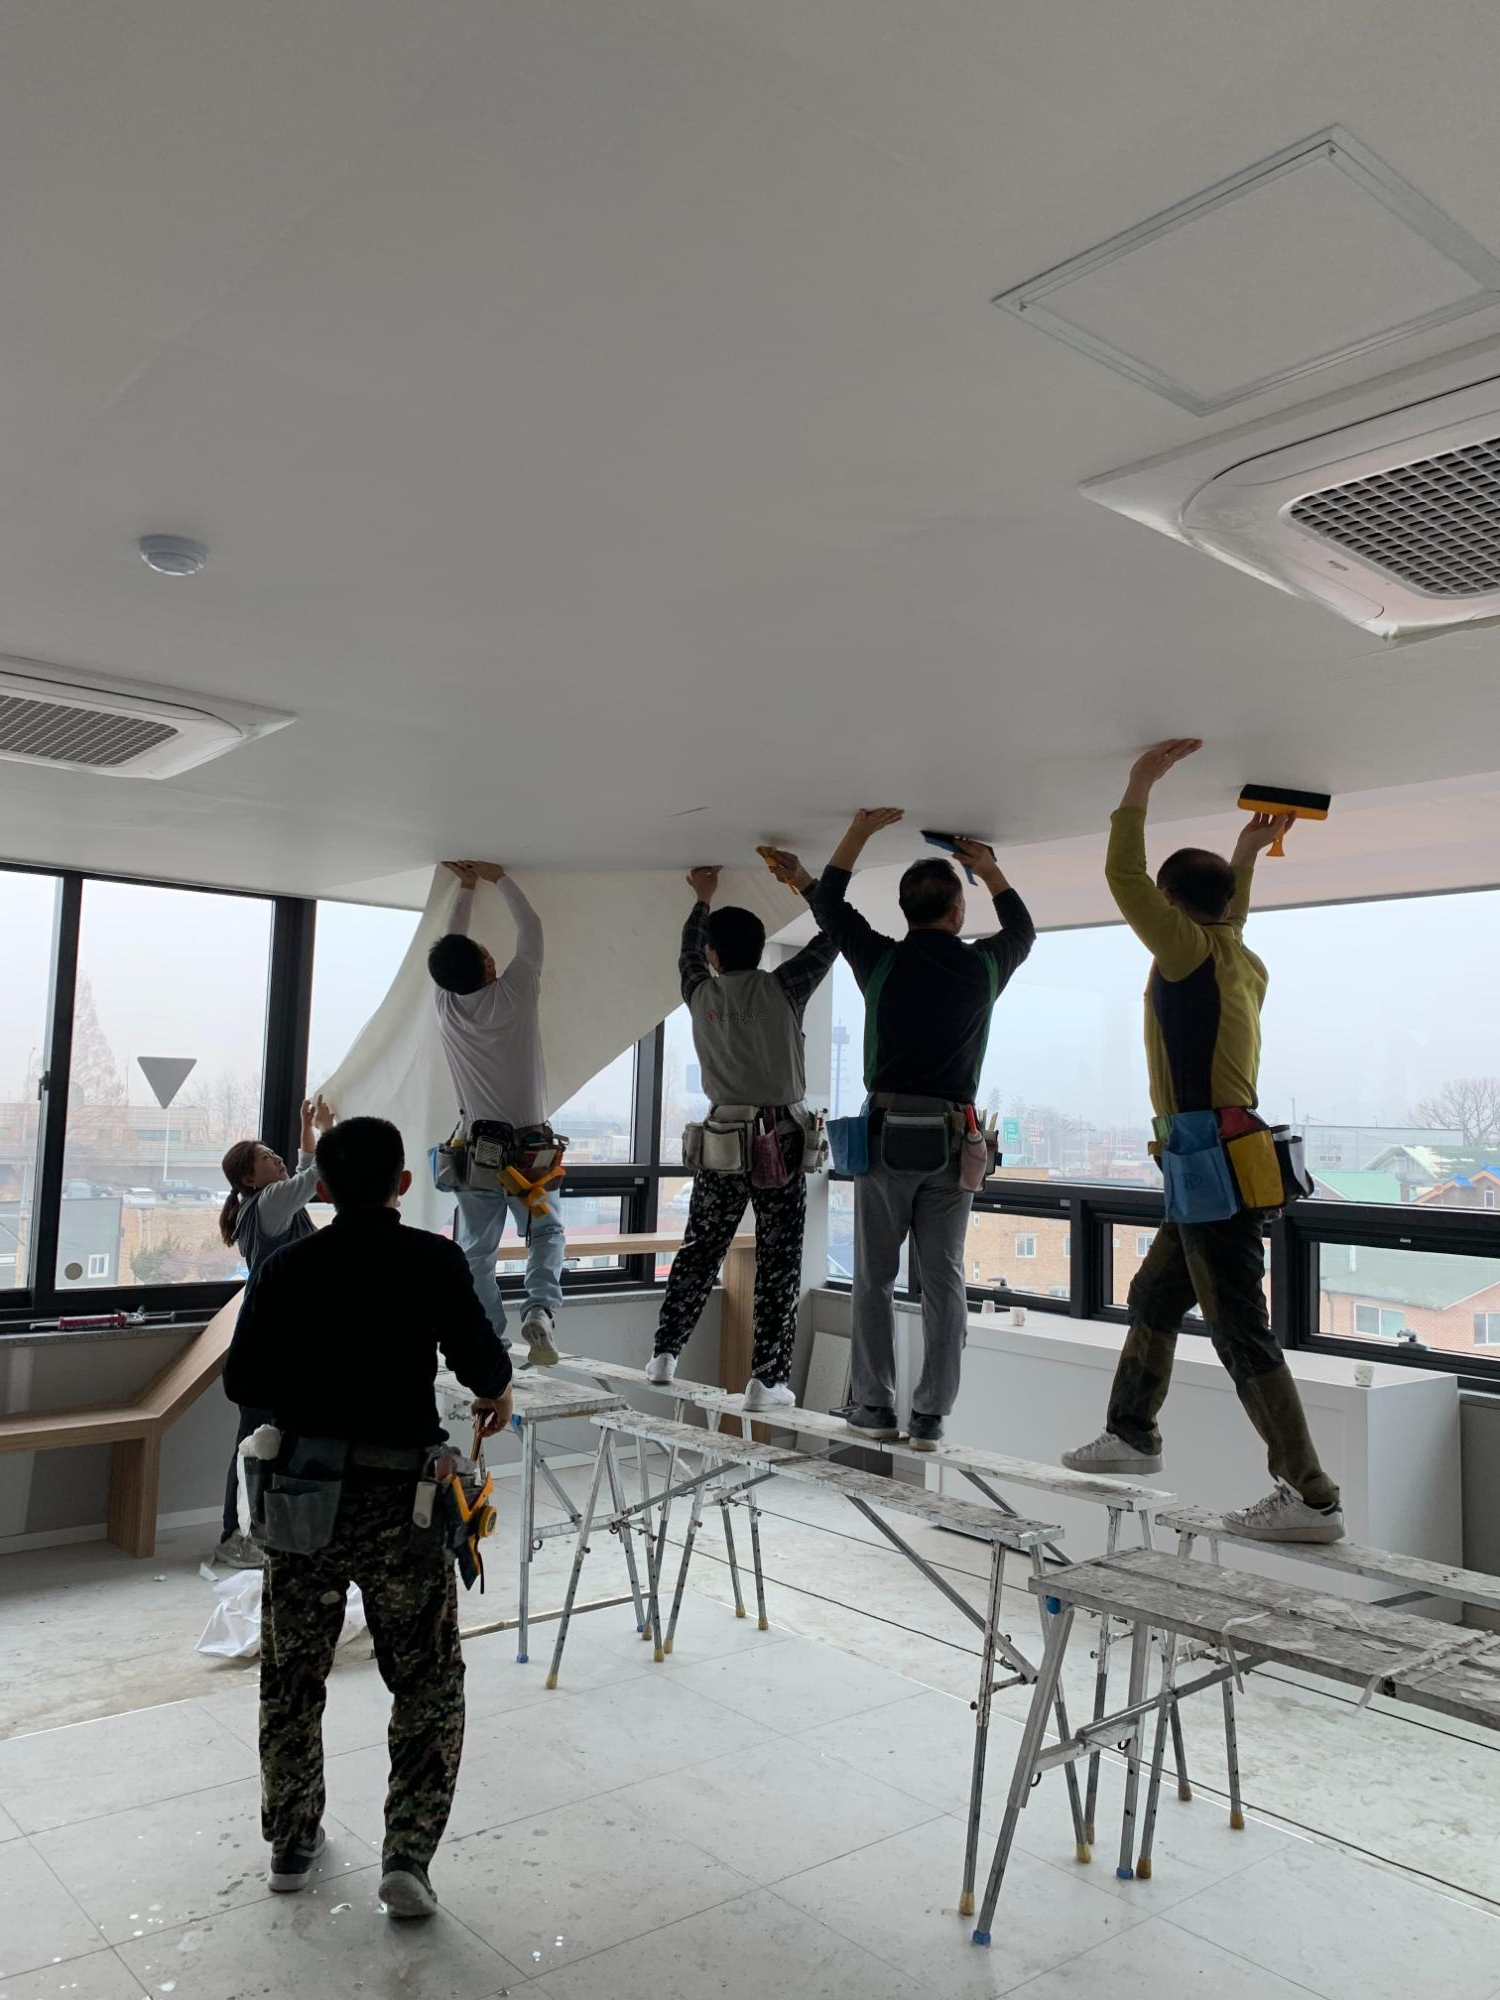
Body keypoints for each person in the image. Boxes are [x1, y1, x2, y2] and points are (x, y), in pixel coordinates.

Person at [222, 1116, 512, 1918]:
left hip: (302, 1501)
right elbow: (483, 1362)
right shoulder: (431, 1260)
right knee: (426, 1680)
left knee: (292, 1677)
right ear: (403, 1185)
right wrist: (496, 1394)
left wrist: (311, 1386)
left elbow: (243, 1381)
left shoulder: (285, 1268)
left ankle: (291, 1843)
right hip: (402, 1505)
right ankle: (407, 1858)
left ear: (320, 1188)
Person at [1062, 738, 1344, 1543]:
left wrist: (1139, 782)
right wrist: (1246, 854)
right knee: (1155, 1296)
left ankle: (1311, 1495)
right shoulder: (1234, 955)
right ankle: (1131, 1433)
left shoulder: (1187, 953)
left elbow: (1123, 878)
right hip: (1214, 1166)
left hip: (1212, 1171)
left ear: (1171, 905)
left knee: (1238, 1328)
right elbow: (1229, 911)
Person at [811, 810, 1035, 1448]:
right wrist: (989, 868)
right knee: (943, 1279)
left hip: (886, 1141)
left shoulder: (880, 960)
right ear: (958, 912)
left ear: (904, 910)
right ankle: (931, 1415)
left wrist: (858, 831)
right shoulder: (984, 967)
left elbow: (829, 904)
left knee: (874, 1279)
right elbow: (1022, 928)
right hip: (953, 1145)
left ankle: (874, 1406)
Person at [646, 851, 838, 1409]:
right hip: (780, 1141)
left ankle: (664, 1355)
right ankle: (765, 1381)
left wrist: (701, 897)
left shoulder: (699, 993)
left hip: (722, 1141)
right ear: (759, 948)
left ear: (713, 954)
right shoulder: (785, 987)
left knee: (701, 1248)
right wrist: (806, 885)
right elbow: (834, 934)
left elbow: (686, 952)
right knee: (778, 1261)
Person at [428, 858, 563, 1367]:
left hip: (477, 1152)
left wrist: (463, 887)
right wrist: (498, 877)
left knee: (475, 1251)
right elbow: (532, 927)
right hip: (529, 1152)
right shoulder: (516, 991)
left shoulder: (446, 1006)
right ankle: (540, 1311)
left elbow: (451, 948)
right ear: (489, 966)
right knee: (545, 1232)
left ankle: (491, 1339)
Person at [213, 1094, 336, 1567]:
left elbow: (304, 1166)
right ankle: (234, 1536)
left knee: (265, 1439)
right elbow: (316, 1172)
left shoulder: (266, 1202)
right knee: (256, 1440)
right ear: (250, 1178)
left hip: (274, 1337)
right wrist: (327, 1128)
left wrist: (306, 1127)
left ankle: (259, 1532)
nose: (276, 1159)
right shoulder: (270, 1202)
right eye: (266, 1158)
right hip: (273, 1344)